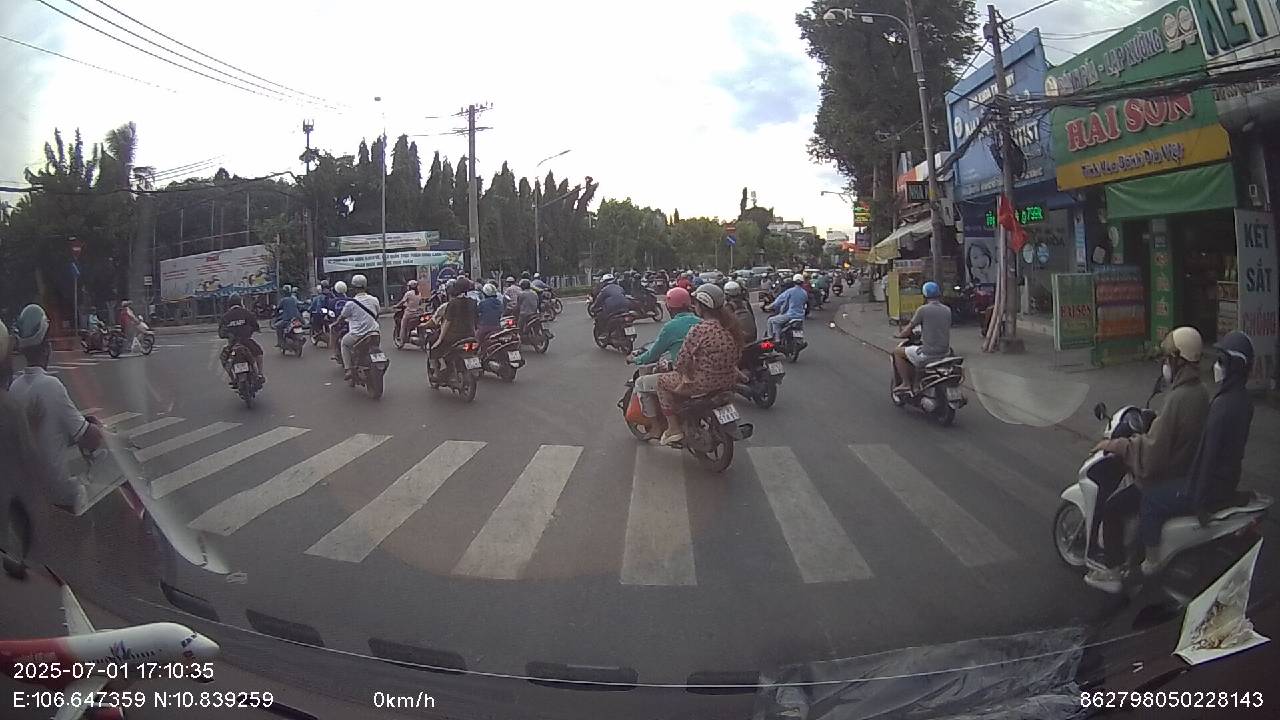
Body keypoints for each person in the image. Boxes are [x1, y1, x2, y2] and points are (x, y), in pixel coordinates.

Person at [1084, 327, 1210, 593]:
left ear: (1178, 360)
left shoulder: (1178, 398)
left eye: (1168, 358)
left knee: (1112, 508)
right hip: (1185, 469)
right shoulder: (1200, 392)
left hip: (1168, 475)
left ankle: (1115, 571)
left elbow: (1153, 451)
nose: (1164, 364)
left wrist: (1117, 445)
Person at [9, 305, 106, 513]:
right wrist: (100, 429)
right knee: (113, 475)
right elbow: (90, 438)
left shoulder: (15, 387)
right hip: (58, 493)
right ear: (47, 347)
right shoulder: (50, 386)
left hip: (27, 490)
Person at [652, 284, 744, 445]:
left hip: (702, 383)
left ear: (702, 306)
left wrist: (678, 370)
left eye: (696, 303)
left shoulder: (700, 329)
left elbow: (682, 359)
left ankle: (673, 428)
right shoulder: (730, 326)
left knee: (661, 382)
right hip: (729, 379)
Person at [892, 281, 951, 393]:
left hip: (928, 353)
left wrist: (899, 335)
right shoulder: (947, 310)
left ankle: (906, 383)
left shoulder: (922, 310)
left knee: (897, 352)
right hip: (945, 352)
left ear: (925, 295)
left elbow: (909, 328)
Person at [425, 279, 477, 379]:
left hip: (454, 336)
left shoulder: (453, 303)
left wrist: (439, 340)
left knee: (433, 345)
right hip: (469, 335)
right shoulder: (473, 302)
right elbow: (475, 320)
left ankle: (437, 372)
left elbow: (447, 322)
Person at [632, 288, 698, 367]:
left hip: (683, 371)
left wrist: (636, 359)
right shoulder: (701, 321)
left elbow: (653, 354)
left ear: (668, 307)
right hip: (703, 369)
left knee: (645, 375)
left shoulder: (671, 327)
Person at [336, 274, 382, 381]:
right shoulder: (374, 299)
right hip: (374, 332)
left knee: (344, 343)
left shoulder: (351, 303)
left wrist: (336, 323)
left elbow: (342, 317)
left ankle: (348, 369)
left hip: (358, 335)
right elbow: (377, 314)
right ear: (365, 286)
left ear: (353, 288)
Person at [218, 294, 265, 382]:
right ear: (240, 302)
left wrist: (228, 335)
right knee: (259, 353)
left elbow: (221, 333)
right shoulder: (247, 313)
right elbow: (255, 326)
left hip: (232, 345)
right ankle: (260, 374)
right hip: (247, 342)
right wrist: (255, 330)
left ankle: (232, 378)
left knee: (224, 359)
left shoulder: (225, 316)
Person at [765, 275, 808, 340]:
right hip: (800, 317)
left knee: (771, 320)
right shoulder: (804, 293)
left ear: (793, 282)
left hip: (790, 316)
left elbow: (778, 301)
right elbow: (804, 303)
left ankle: (773, 338)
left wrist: (768, 307)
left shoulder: (790, 291)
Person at [590, 273, 630, 338]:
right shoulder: (619, 287)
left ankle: (604, 333)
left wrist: (593, 307)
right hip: (625, 307)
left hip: (613, 309)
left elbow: (598, 300)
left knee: (601, 316)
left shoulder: (605, 290)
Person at [396, 279, 423, 346]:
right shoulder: (419, 293)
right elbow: (420, 303)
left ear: (410, 286)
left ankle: (402, 341)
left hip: (409, 313)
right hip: (417, 313)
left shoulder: (408, 293)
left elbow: (402, 301)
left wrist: (396, 305)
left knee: (403, 326)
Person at [328, 280, 350, 356]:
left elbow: (330, 313)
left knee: (332, 330)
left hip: (338, 324)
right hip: (349, 323)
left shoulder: (332, 301)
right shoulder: (350, 300)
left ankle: (335, 352)